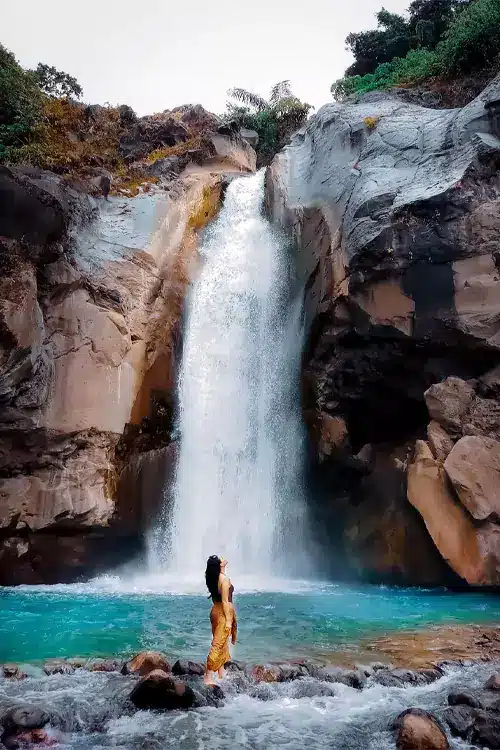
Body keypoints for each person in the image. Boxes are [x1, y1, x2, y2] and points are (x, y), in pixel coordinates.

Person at [203, 555, 237, 685]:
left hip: (215, 612)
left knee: (223, 642)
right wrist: (228, 620)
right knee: (218, 644)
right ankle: (207, 676)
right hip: (223, 613)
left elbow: (220, 585)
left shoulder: (212, 578)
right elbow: (225, 600)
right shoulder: (224, 579)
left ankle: (221, 672)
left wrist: (222, 567)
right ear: (217, 567)